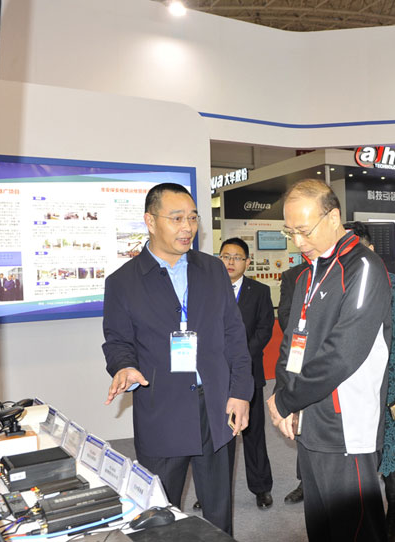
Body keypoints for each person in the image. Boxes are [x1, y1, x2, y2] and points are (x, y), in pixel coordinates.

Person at [102, 183, 252, 535]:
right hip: (162, 409)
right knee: (159, 514)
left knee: (218, 512)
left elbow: (234, 334)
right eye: (177, 218)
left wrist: (240, 392)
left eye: (193, 218)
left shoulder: (213, 270)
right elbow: (118, 341)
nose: (188, 227)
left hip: (215, 405)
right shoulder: (123, 282)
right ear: (150, 221)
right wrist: (124, 366)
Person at [267, 179, 391, 541]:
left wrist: (287, 400)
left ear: (333, 217)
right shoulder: (309, 273)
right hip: (308, 422)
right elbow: (292, 342)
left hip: (345, 426)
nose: (297, 241)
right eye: (290, 231)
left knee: (356, 530)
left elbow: (343, 354)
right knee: (321, 528)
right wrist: (282, 395)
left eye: (304, 230)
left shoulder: (363, 268)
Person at [345, 221, 395, 542]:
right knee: (356, 453)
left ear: (371, 249)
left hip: (387, 382)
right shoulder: (338, 284)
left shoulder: (392, 284)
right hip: (350, 384)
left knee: (393, 450)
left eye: (356, 248)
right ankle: (363, 514)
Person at [219, 237, 276, 508]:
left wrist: (239, 356)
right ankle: (214, 489)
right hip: (216, 375)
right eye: (225, 256)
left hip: (249, 372)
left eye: (237, 257)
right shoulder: (208, 290)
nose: (230, 262)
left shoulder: (260, 291)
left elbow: (265, 329)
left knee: (253, 433)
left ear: (247, 262)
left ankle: (261, 487)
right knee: (218, 435)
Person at [276, 260, 309, 506]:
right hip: (301, 352)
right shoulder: (292, 275)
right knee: (302, 420)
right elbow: (285, 316)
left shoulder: (341, 269)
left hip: (336, 353)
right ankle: (305, 481)